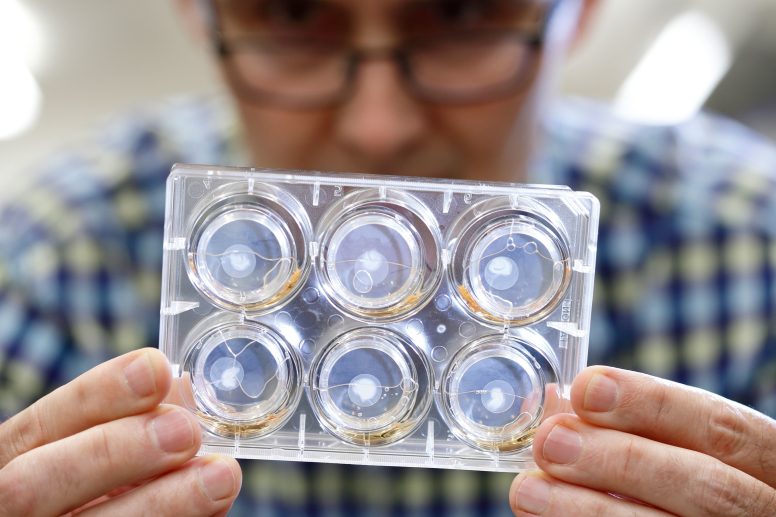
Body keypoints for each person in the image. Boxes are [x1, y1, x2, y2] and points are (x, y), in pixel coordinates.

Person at [0, 0, 775, 515]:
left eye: (463, 13)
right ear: (197, 14)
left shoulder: (752, 253)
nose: (379, 128)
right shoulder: (46, 271)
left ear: (579, 13)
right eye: (294, 13)